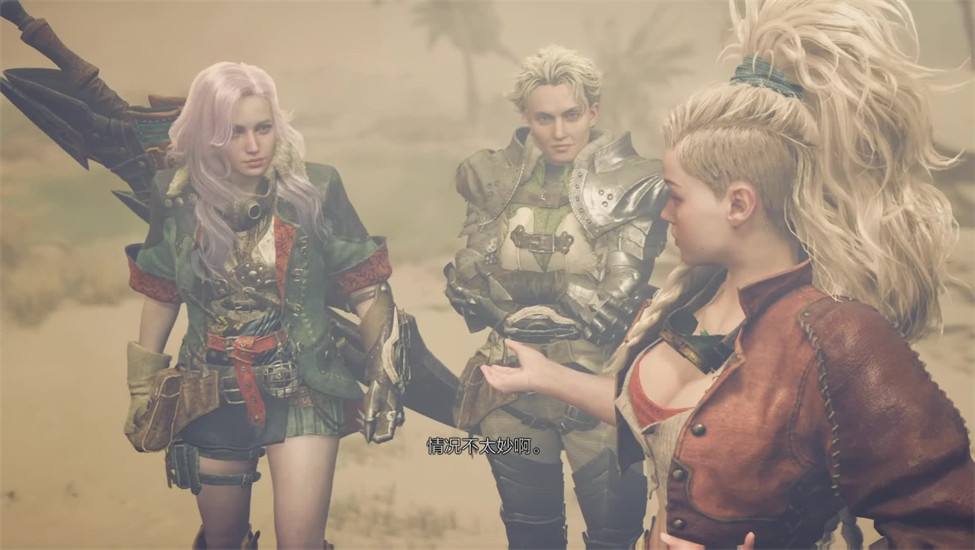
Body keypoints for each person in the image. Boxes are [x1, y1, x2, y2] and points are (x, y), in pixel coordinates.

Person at [480, 1, 975, 547]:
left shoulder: (840, 338)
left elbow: (951, 528)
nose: (665, 214)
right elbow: (659, 420)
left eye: (676, 196)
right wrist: (545, 376)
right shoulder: (690, 302)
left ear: (738, 204)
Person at [124, 62, 406, 549]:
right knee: (222, 539)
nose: (254, 145)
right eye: (235, 132)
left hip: (301, 384)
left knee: (300, 542)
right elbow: (162, 292)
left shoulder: (314, 189)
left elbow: (367, 288)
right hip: (208, 387)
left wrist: (386, 374)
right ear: (210, 135)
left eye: (263, 127)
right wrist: (140, 386)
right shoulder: (176, 196)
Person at [445, 45, 670, 549]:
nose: (559, 131)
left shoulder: (629, 183)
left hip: (598, 387)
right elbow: (469, 277)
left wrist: (507, 299)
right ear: (526, 118)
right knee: (530, 537)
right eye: (544, 118)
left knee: (613, 539)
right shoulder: (492, 179)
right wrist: (558, 292)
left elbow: (612, 303)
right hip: (510, 391)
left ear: (593, 111)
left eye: (571, 115)